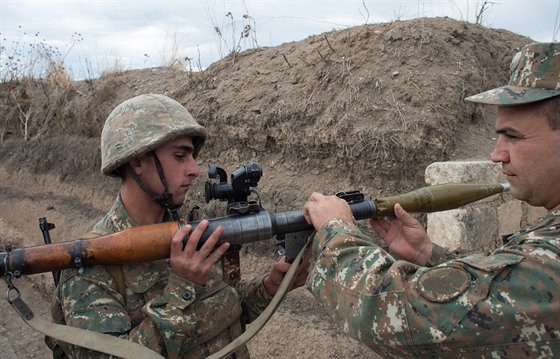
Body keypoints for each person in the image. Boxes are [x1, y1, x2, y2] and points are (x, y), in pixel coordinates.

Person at [302, 42, 560, 358]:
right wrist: (429, 255)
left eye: (514, 136)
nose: (496, 154)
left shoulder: (547, 263)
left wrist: (335, 232)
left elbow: (406, 319)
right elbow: (491, 297)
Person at [47, 94, 308, 359]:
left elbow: (225, 310)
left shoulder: (185, 231)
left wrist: (270, 287)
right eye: (180, 156)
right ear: (137, 161)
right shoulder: (90, 264)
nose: (194, 169)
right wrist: (182, 287)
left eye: (192, 157)